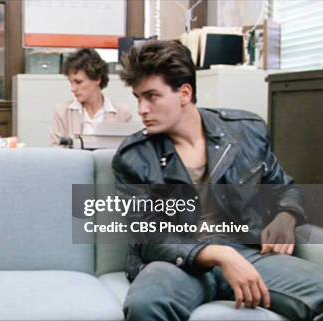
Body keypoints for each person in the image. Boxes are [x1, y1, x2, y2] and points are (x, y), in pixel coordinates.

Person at [113, 40, 323, 321]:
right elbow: (147, 235)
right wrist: (219, 255)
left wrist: (287, 215)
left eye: (152, 96)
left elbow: (284, 188)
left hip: (247, 251)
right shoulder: (133, 157)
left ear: (184, 93)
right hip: (179, 262)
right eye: (138, 98)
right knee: (146, 304)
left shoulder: (247, 131)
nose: (142, 109)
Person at [50, 48, 132, 147]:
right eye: (71, 82)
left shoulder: (122, 113)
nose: (73, 88)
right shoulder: (62, 112)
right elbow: (54, 152)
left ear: (97, 79)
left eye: (79, 82)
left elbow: (129, 152)